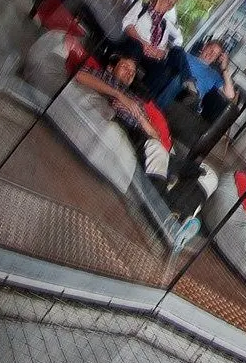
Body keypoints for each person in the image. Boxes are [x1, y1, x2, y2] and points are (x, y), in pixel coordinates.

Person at [73, 54, 217, 237]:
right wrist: (118, 95)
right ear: (111, 68)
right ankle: (169, 221)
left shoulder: (135, 98)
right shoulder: (103, 78)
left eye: (133, 72)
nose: (129, 73)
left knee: (209, 174)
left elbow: (154, 134)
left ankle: (177, 217)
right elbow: (80, 76)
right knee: (156, 150)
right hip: (135, 136)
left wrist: (141, 117)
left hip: (149, 138)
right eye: (125, 67)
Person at [120, 0, 186, 100]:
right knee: (136, 46)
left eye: (172, 4)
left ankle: (138, 99)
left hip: (149, 55)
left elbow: (162, 49)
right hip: (133, 43)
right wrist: (142, 42)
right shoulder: (141, 7)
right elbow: (127, 24)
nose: (170, 6)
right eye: (168, 1)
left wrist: (159, 53)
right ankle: (120, 85)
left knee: (162, 70)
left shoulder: (164, 24)